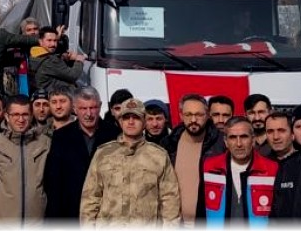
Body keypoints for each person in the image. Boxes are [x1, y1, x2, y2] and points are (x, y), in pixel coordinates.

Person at [80, 97, 181, 225]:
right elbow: (90, 198)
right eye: (126, 117)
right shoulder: (103, 154)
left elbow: (170, 200)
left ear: (144, 122)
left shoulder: (159, 156)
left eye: (136, 117)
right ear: (120, 121)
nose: (131, 122)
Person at [44, 87, 121, 219]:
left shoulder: (115, 134)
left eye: (93, 108)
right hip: (71, 214)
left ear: (100, 106)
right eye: (83, 108)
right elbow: (53, 182)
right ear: (74, 109)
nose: (89, 114)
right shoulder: (61, 137)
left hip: (106, 214)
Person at [0, 95, 50, 226]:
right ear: (6, 116)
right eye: (15, 114)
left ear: (31, 115)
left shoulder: (45, 143)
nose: (21, 119)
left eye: (25, 114)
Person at [200, 116, 279, 225]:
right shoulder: (209, 166)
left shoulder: (272, 169)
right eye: (232, 137)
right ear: (226, 141)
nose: (239, 144)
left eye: (244, 137)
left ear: (253, 139)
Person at [162, 93, 222, 224]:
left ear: (207, 115)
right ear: (181, 115)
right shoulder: (169, 144)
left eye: (199, 115)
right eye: (188, 114)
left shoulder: (221, 144)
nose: (193, 119)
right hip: (175, 222)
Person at [29, 26, 85, 94]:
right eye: (49, 40)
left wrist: (62, 57)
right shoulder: (50, 61)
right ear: (40, 41)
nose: (53, 44)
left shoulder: (35, 54)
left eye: (55, 40)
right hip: (58, 96)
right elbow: (73, 75)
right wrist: (79, 60)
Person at [243, 93, 275, 158]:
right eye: (251, 113)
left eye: (261, 112)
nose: (257, 118)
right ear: (245, 115)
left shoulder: (279, 139)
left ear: (270, 113)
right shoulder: (239, 141)